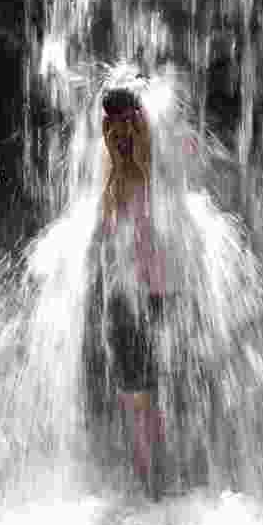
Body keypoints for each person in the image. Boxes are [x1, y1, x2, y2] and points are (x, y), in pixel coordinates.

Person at [88, 84, 169, 500]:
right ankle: (148, 478)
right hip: (124, 294)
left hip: (148, 292)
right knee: (135, 389)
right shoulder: (113, 174)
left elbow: (145, 130)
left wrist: (131, 109)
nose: (118, 130)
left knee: (142, 389)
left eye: (126, 121)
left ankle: (153, 479)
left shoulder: (145, 165)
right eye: (113, 123)